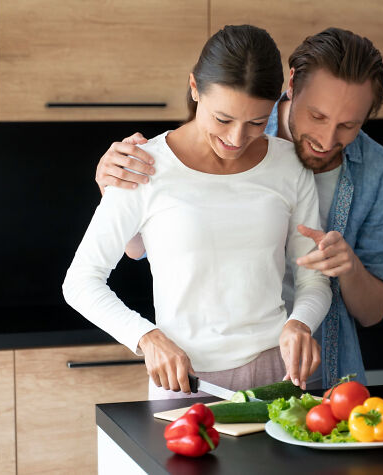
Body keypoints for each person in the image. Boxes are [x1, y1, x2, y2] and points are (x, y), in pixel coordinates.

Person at [94, 27, 383, 389]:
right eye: (317, 116)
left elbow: (371, 312)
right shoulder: (231, 119)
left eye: (348, 125)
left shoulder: (375, 173)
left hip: (314, 368)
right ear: (291, 85)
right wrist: (114, 190)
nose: (326, 140)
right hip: (197, 367)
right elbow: (150, 247)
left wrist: (347, 268)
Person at [63, 25, 332, 399]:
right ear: (194, 88)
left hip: (281, 376)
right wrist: (146, 337)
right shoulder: (142, 167)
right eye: (223, 119)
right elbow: (80, 281)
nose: (236, 139)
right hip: (187, 380)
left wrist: (300, 323)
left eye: (256, 122)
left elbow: (313, 278)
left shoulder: (290, 165)